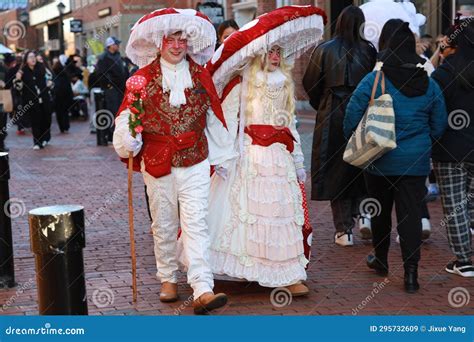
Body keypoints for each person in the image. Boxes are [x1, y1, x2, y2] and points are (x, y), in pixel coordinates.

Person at [113, 8, 230, 314]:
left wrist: (224, 155)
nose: (177, 46)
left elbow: (213, 117)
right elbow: (126, 119)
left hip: (195, 160)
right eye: (171, 40)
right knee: (163, 225)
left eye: (182, 40)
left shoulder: (201, 75)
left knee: (196, 224)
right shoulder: (140, 79)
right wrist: (130, 138)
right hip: (157, 161)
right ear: (159, 43)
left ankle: (203, 287)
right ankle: (168, 279)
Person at [344, 21, 447, 293]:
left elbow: (352, 113)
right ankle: (411, 275)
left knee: (379, 212)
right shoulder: (428, 82)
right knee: (410, 216)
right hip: (415, 164)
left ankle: (381, 260)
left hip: (379, 159)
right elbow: (439, 124)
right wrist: (423, 143)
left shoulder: (375, 79)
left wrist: (354, 138)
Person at [206, 44, 310, 296]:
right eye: (270, 51)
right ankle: (249, 267)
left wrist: (298, 160)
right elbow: (228, 119)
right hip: (250, 153)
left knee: (279, 213)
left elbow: (290, 124)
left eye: (279, 52)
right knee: (248, 212)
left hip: (279, 156)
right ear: (258, 53)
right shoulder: (243, 80)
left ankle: (287, 274)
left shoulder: (285, 81)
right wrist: (223, 155)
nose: (275, 57)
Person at [303, 6, 377, 246]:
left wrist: (323, 103)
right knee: (362, 163)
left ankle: (344, 230)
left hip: (332, 113)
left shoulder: (323, 49)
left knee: (336, 169)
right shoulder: (369, 50)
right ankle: (364, 216)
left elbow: (310, 83)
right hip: (362, 111)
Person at [431, 19, 474, 277]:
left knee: (455, 206)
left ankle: (463, 260)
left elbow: (433, 111)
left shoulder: (443, 74)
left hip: (449, 148)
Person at [14, 50, 53, 150]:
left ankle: (45, 138)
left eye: (34, 57)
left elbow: (50, 80)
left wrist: (50, 84)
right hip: (31, 100)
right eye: (30, 57)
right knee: (35, 121)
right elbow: (18, 88)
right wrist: (18, 79)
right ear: (26, 60)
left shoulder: (41, 68)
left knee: (46, 119)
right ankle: (37, 142)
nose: (33, 59)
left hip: (44, 98)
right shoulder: (23, 72)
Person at [97, 36, 128, 143]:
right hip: (111, 89)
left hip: (121, 88)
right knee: (112, 110)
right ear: (110, 45)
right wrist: (109, 85)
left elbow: (123, 71)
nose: (118, 46)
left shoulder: (118, 56)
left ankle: (118, 133)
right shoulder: (104, 57)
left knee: (120, 111)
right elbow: (102, 74)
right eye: (116, 44)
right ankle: (111, 135)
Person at [4, 54, 27, 135]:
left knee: (17, 109)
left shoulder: (11, 70)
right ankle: (23, 125)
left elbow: (7, 83)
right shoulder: (24, 70)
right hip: (24, 92)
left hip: (14, 93)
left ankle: (20, 127)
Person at [52, 61, 73, 133]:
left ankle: (62, 127)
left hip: (57, 97)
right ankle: (66, 126)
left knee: (59, 113)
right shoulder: (65, 75)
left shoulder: (54, 76)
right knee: (65, 112)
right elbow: (69, 87)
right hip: (65, 97)